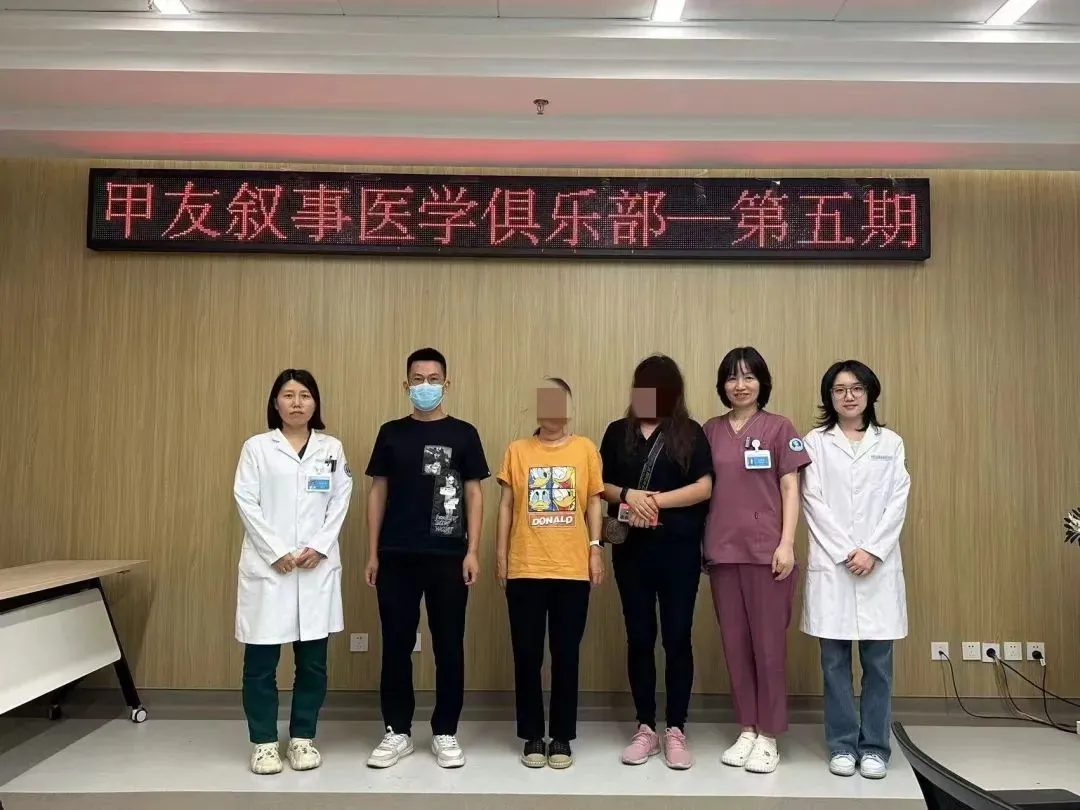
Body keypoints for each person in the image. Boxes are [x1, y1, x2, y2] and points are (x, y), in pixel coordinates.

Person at [364, 348, 489, 770]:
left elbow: (474, 493)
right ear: (406, 385)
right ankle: (397, 731)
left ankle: (445, 731)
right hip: (396, 555)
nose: (425, 386)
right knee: (396, 645)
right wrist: (372, 552)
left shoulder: (464, 434)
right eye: (417, 379)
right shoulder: (391, 433)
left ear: (446, 384)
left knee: (449, 645)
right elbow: (377, 492)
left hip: (449, 556)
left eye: (433, 379)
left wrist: (473, 551)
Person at [232, 369, 354, 775]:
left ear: (315, 403)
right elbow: (245, 500)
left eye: (305, 395)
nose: (297, 402)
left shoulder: (331, 448)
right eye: (288, 395)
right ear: (276, 403)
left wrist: (319, 546)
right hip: (270, 569)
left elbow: (340, 500)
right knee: (260, 664)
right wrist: (276, 551)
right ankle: (264, 743)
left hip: (315, 568)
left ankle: (303, 738)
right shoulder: (257, 448)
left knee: (313, 664)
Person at [599, 355, 713, 770]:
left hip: (679, 552)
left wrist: (656, 501)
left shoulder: (690, 432)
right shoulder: (618, 431)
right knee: (639, 637)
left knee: (677, 638)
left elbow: (704, 487)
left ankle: (676, 728)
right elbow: (600, 484)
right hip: (631, 553)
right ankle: (645, 727)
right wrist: (629, 495)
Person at [800, 361, 911, 780]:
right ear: (829, 396)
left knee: (878, 665)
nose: (849, 396)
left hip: (877, 568)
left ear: (870, 393)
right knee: (834, 665)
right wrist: (848, 551)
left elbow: (897, 500)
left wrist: (873, 552)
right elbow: (812, 500)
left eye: (857, 388)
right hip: (835, 566)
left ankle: (876, 747)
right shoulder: (815, 442)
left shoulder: (890, 442)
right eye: (840, 389)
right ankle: (843, 744)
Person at [702, 347, 810, 775]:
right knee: (735, 646)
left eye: (749, 377)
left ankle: (769, 735)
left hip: (768, 554)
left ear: (762, 383)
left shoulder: (779, 428)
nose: (740, 385)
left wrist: (787, 543)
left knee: (768, 648)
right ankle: (747, 727)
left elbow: (790, 488)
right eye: (732, 377)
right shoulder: (710, 431)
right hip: (722, 552)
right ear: (722, 385)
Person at [495, 377, 604, 770]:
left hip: (572, 569)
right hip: (525, 565)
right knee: (527, 655)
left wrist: (595, 549)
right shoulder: (517, 450)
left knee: (566, 655)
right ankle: (531, 735)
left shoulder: (585, 449)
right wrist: (501, 554)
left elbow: (594, 502)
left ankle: (561, 735)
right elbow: (506, 505)